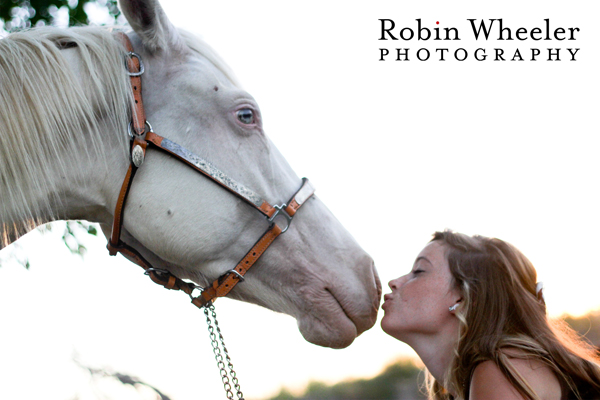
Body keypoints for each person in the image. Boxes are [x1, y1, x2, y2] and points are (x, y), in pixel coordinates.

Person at [381, 230, 600, 400]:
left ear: (462, 298)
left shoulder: (500, 368)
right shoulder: (489, 373)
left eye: (418, 271)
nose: (395, 282)